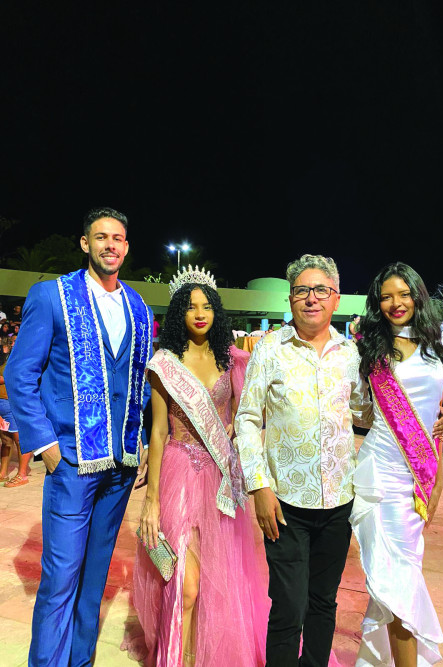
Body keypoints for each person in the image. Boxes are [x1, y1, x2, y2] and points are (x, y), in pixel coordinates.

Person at [5, 206, 152, 666]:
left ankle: (81, 660)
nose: (111, 245)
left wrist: (142, 438)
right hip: (70, 462)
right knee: (60, 580)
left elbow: (140, 383)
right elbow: (19, 374)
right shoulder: (52, 296)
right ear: (85, 243)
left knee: (94, 581)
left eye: (119, 238)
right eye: (102, 237)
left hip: (120, 468)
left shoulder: (139, 308)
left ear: (126, 247)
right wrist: (45, 445)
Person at [234, 254, 375, 667]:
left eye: (320, 290)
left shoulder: (350, 354)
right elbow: (246, 419)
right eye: (301, 290)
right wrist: (259, 485)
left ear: (335, 298)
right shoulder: (270, 350)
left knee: (322, 603)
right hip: (285, 505)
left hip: (338, 502)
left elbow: (366, 413)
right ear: (291, 298)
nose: (311, 298)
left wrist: (425, 412)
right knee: (290, 607)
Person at [135, 265, 269, 666]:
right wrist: (152, 500)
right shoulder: (165, 363)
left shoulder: (234, 360)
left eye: (207, 306)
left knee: (218, 582)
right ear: (179, 311)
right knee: (184, 585)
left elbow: (253, 412)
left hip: (220, 479)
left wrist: (232, 425)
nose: (199, 313)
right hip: (178, 472)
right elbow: (157, 433)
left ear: (217, 312)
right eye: (191, 306)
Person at [350, 262, 443, 667]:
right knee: (397, 585)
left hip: (420, 480)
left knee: (396, 582)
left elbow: (430, 418)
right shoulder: (371, 350)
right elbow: (362, 413)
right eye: (386, 297)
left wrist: (438, 473)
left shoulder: (435, 350)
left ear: (417, 295)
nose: (396, 303)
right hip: (380, 478)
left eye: (403, 294)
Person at [0, 335, 32, 486]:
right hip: (2, 405)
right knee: (6, 441)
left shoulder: (20, 358)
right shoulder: (5, 359)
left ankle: (22, 473)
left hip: (12, 403)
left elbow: (12, 377)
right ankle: (3, 472)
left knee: (20, 440)